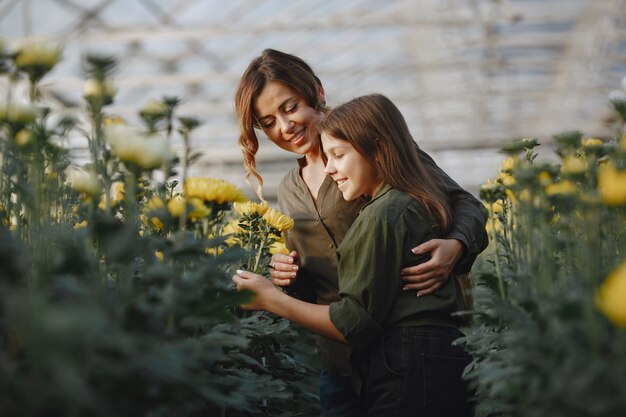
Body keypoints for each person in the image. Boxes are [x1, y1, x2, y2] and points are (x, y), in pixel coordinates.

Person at [234, 49, 487, 416]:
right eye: (269, 122)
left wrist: (456, 245)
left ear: (317, 92)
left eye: (290, 108)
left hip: (402, 346)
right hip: (340, 362)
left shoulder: (367, 155)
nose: (285, 127)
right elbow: (318, 284)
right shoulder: (289, 189)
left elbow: (463, 203)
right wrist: (288, 276)